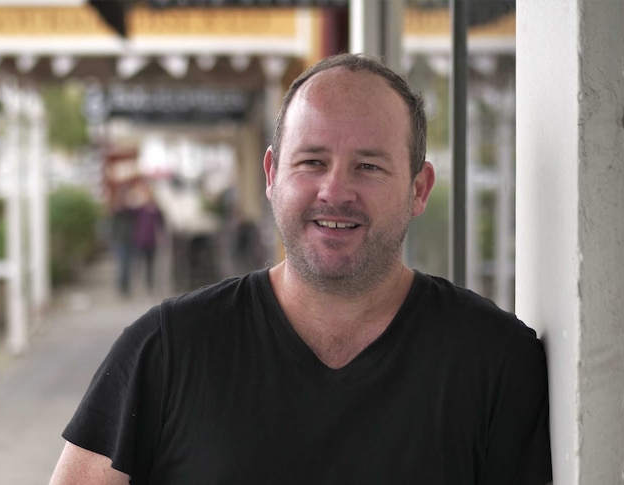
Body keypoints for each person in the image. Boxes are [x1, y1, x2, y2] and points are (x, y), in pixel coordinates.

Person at [50, 53, 552, 484]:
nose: (335, 191)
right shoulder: (167, 348)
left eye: (369, 166)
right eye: (311, 161)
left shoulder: (496, 361)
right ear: (272, 174)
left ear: (419, 188)